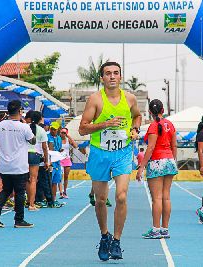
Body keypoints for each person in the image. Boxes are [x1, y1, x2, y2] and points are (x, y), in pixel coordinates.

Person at [79, 61, 142, 261]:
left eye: (116, 73)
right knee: (100, 200)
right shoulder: (95, 100)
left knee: (121, 197)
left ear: (120, 77)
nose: (112, 76)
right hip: (100, 153)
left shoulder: (130, 98)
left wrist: (134, 129)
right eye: (108, 73)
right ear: (102, 78)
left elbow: (138, 116)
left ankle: (117, 240)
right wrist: (105, 124)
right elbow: (82, 128)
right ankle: (104, 235)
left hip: (122, 152)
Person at [0, 100, 36, 228]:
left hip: (4, 165)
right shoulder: (24, 126)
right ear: (20, 111)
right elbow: (33, 141)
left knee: (6, 189)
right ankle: (19, 219)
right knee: (20, 192)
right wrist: (26, 124)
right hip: (19, 166)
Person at [136, 99, 178, 239]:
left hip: (157, 161)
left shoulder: (154, 126)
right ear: (163, 110)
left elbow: (151, 147)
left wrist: (142, 166)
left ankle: (155, 229)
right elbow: (174, 146)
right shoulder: (170, 124)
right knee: (166, 197)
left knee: (157, 198)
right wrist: (173, 161)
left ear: (149, 112)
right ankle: (165, 229)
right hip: (169, 160)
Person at [26, 111, 49, 211]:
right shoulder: (41, 130)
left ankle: (25, 200)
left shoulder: (25, 127)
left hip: (24, 154)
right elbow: (44, 147)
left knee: (25, 179)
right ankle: (32, 204)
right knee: (33, 179)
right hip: (35, 154)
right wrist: (47, 160)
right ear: (40, 119)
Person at [47, 121, 65, 208]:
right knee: (49, 182)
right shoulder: (48, 137)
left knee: (55, 182)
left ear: (58, 130)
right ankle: (48, 200)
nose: (52, 130)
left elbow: (58, 149)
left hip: (57, 162)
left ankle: (53, 199)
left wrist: (61, 152)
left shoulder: (59, 138)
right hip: (50, 163)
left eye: (54, 129)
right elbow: (49, 149)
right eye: (51, 129)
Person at [59, 127, 78, 199]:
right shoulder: (58, 139)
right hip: (60, 159)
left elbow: (75, 146)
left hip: (67, 159)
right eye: (61, 132)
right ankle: (61, 193)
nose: (63, 134)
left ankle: (65, 191)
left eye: (64, 133)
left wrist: (69, 136)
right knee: (60, 176)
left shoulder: (68, 140)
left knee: (66, 177)